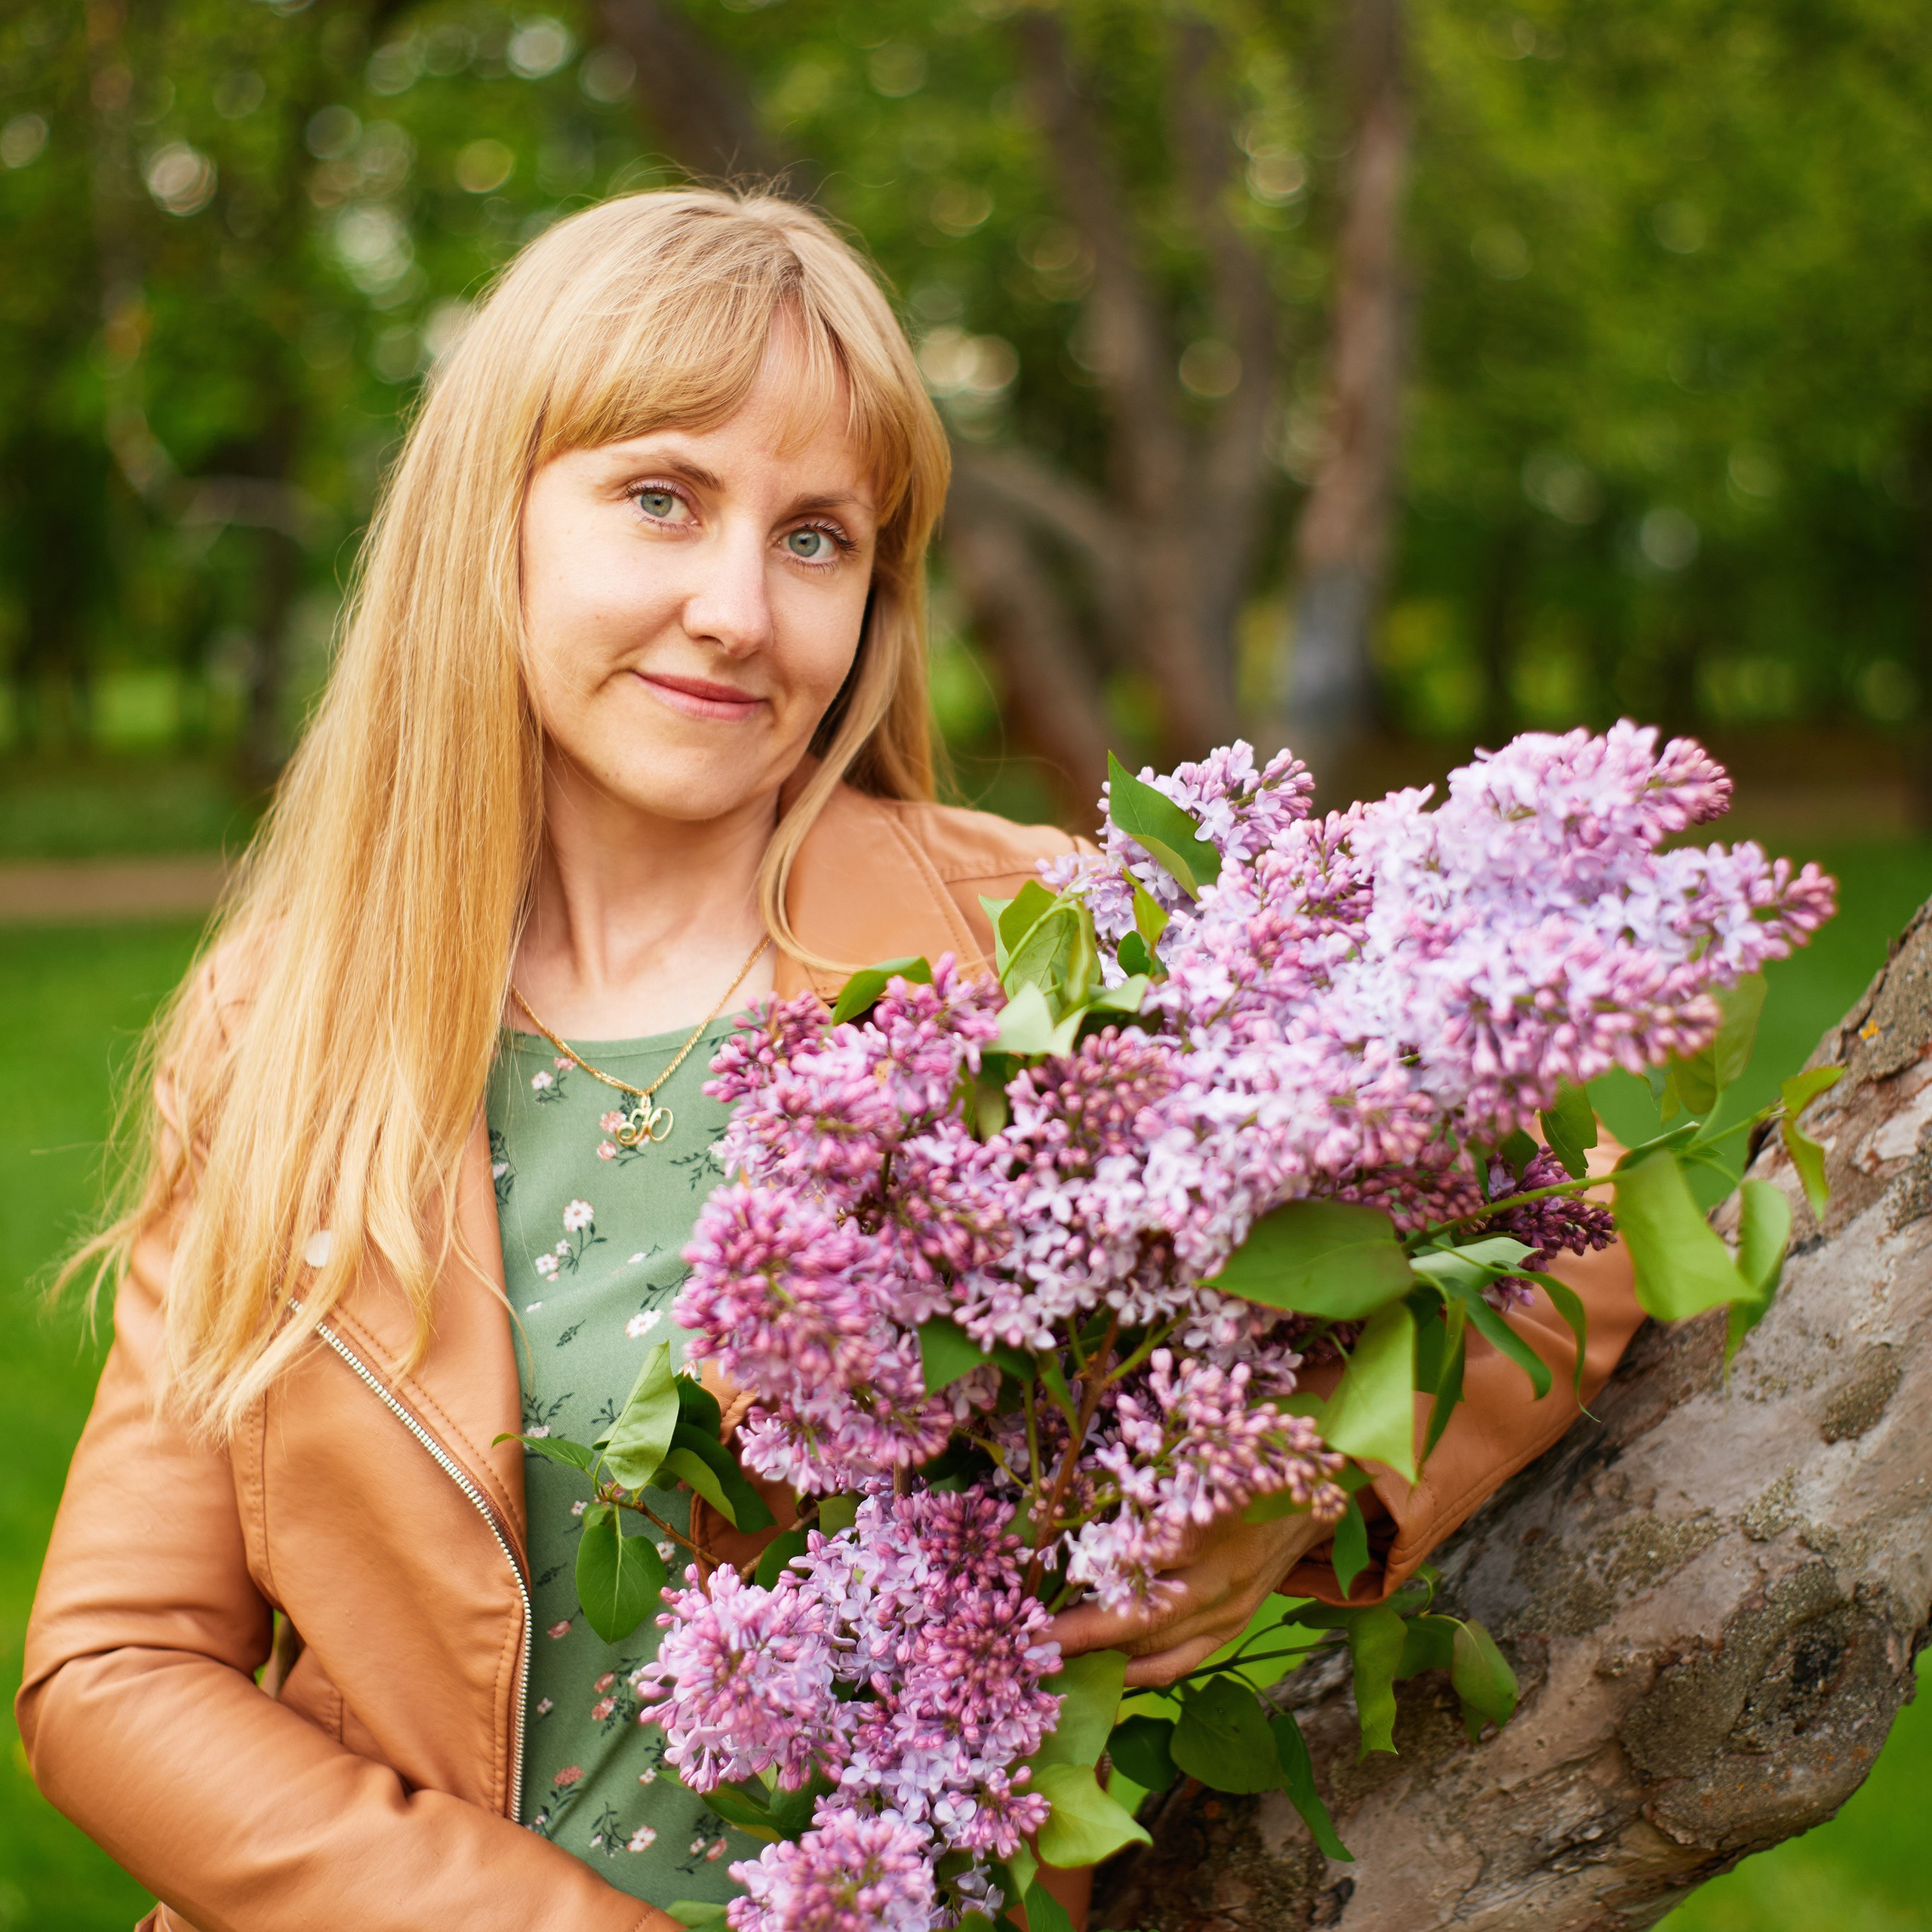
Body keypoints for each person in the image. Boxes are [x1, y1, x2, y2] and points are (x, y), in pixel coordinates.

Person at [18, 189, 1644, 1932]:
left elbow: (1581, 1227)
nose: (736, 609)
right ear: (489, 517)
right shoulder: (288, 1023)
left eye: (813, 538)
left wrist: (1288, 1482)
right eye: (661, 497)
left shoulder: (1033, 947)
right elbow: (116, 1665)